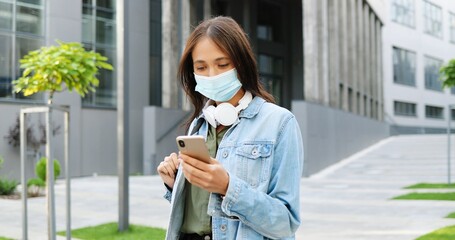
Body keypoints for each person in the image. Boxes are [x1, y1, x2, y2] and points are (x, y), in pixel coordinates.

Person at [157, 16, 304, 240]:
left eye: (222, 64)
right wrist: (174, 183)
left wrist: (227, 187)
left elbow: (285, 223)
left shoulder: (280, 123)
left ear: (241, 63)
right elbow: (197, 213)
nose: (212, 75)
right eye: (201, 67)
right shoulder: (199, 125)